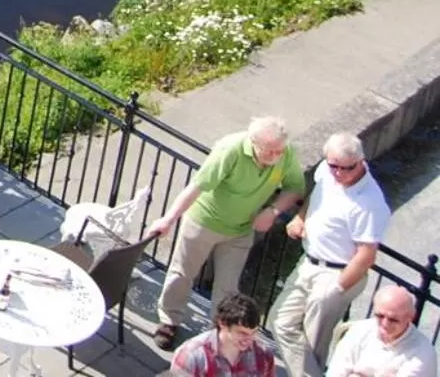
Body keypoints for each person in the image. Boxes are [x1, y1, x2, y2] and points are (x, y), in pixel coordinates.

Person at [146, 116, 309, 350]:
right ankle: (169, 320)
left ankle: (219, 334)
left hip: (240, 230)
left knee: (228, 287)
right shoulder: (230, 150)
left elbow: (295, 188)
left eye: (279, 151)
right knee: (182, 273)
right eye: (270, 151)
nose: (276, 157)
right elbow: (197, 186)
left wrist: (273, 211)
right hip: (204, 222)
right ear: (253, 142)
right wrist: (168, 219)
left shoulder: (285, 153)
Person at [272, 133, 393, 377]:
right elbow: (316, 196)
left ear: (360, 162)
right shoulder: (326, 173)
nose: (338, 172)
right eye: (333, 165)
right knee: (279, 321)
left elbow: (366, 255)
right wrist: (300, 217)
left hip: (338, 272)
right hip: (309, 261)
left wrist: (337, 287)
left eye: (345, 168)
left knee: (315, 339)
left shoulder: (370, 202)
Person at [326, 286, 436, 377]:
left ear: (411, 318)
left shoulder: (423, 353)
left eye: (393, 320)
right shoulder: (360, 330)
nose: (385, 324)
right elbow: (335, 372)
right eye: (380, 316)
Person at [171, 292, 280, 377]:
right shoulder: (190, 356)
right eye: (242, 332)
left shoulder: (264, 355)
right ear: (222, 323)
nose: (249, 339)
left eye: (254, 332)